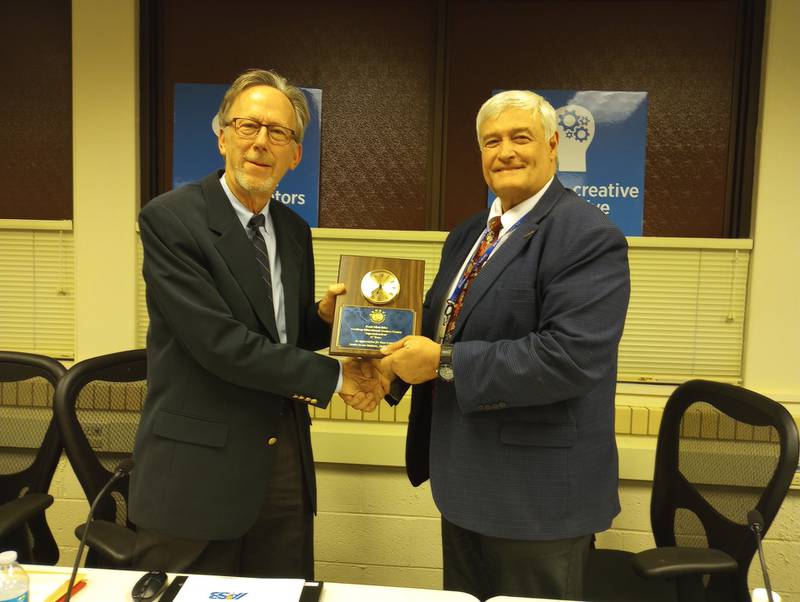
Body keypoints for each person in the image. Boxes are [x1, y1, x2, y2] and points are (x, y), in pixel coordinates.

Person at [129, 68, 385, 578]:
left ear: (295, 155)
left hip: (282, 460)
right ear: (222, 135)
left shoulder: (293, 230)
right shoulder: (171, 220)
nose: (261, 143)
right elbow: (220, 343)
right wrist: (338, 378)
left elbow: (275, 333)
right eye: (248, 126)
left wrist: (322, 320)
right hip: (198, 474)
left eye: (280, 133)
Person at [380, 90, 630, 600]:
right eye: (492, 141)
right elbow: (437, 322)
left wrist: (442, 364)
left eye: (521, 137)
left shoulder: (588, 236)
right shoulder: (470, 233)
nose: (506, 151)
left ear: (554, 145)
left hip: (537, 500)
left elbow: (568, 358)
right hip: (463, 481)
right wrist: (384, 366)